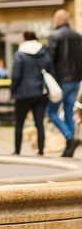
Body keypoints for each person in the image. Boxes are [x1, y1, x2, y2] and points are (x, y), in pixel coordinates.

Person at [11, 31, 55, 156]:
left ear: (24, 39)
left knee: (19, 123)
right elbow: (51, 71)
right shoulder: (44, 53)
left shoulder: (20, 54)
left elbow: (16, 75)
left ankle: (17, 151)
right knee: (39, 123)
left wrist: (13, 90)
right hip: (41, 93)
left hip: (23, 94)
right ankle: (41, 151)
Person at [47, 9, 82, 157]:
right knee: (68, 112)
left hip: (61, 81)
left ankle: (69, 137)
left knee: (52, 112)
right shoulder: (78, 36)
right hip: (76, 80)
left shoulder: (55, 36)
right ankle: (69, 148)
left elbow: (50, 60)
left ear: (58, 21)